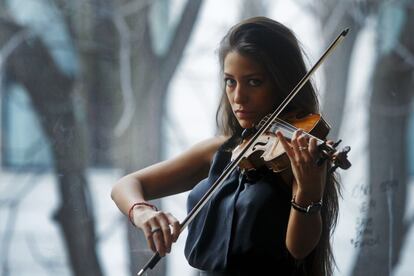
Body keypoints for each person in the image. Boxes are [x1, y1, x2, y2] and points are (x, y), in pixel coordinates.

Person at [111, 16, 340, 276]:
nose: (238, 97)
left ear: (282, 83)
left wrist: (309, 191)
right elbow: (125, 185)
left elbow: (300, 249)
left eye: (254, 82)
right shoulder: (222, 150)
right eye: (230, 81)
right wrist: (142, 213)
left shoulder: (300, 156)